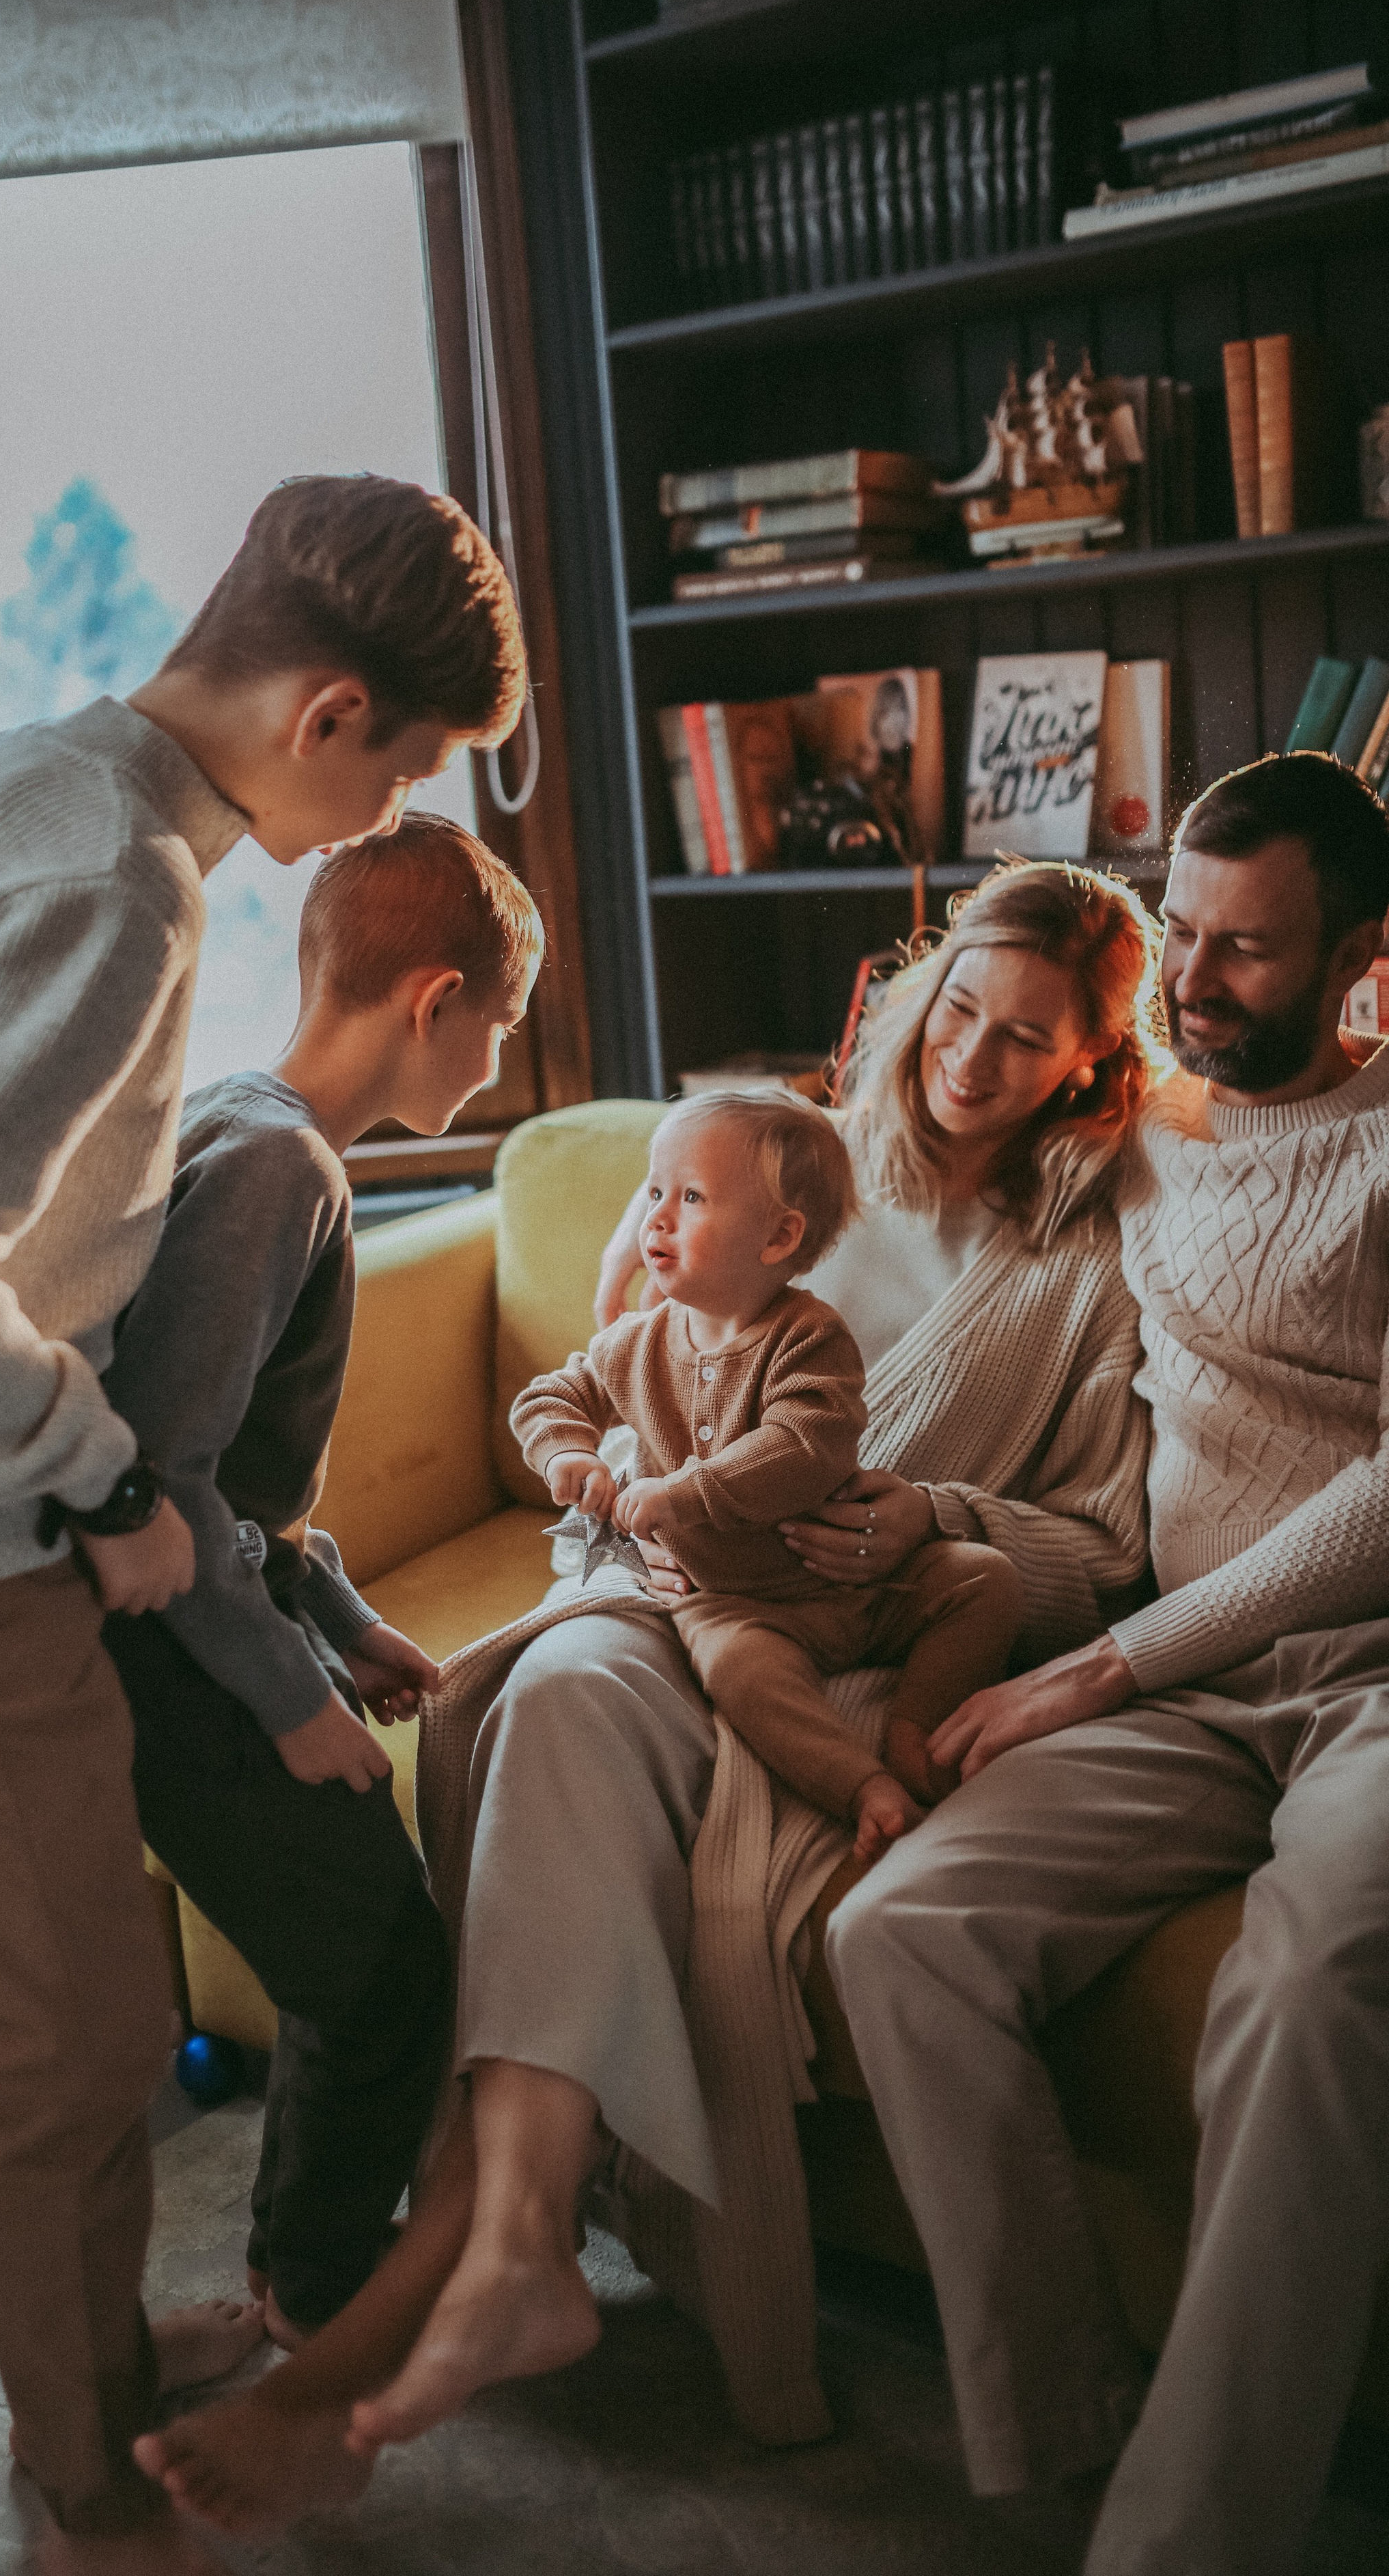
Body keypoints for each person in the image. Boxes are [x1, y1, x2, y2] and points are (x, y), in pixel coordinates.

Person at [132, 857, 1158, 2534]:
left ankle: (455, 2268)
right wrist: (609, 1475)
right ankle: (522, 2240)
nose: (970, 1055)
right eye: (957, 1005)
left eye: (1026, 1040)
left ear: (1088, 1067)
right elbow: (609, 1369)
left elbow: (1103, 1541)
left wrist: (929, 1515)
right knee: (545, 1698)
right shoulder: (767, 1155)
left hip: (867, 1626)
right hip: (661, 1582)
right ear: (920, 990)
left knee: (672, 1722)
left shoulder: (1085, 1259)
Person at [0, 473, 524, 2571]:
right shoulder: (129, 881)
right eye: (407, 769)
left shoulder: (28, 780)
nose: (376, 819)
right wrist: (105, 1483)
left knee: (52, 2009)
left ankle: (80, 2371)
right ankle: (90, 2497)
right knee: (66, 2036)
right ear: (333, 709)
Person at [826, 751, 1389, 2576]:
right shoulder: (1130, 1134)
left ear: (1364, 951)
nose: (1203, 979)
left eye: (1252, 950)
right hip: (1189, 1692)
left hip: (1365, 1683)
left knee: (1307, 1995)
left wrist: (1098, 1670)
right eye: (1190, 936)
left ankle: (1187, 2541)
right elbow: (908, 1140)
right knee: (896, 1934)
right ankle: (1055, 2422)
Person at [102, 816, 544, 2354]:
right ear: (435, 1004)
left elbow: (257, 1494)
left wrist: (342, 1620)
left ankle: (311, 2260)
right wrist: (291, 1699)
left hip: (216, 1620)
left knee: (359, 1941)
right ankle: (320, 2294)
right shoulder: (277, 1167)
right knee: (378, 1963)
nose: (492, 1068)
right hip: (168, 1653)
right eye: (497, 1031)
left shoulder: (250, 1124)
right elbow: (164, 1484)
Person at [511, 1089, 1023, 1862]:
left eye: (689, 1198)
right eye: (655, 1191)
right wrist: (566, 1453)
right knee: (740, 1672)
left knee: (985, 1578)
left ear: (779, 1236)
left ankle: (914, 1726)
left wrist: (682, 1494)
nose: (654, 1217)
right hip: (735, 1605)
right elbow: (552, 1397)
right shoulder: (635, 1343)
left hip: (857, 1584)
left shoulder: (811, 1337)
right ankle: (862, 1787)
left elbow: (803, 1446)